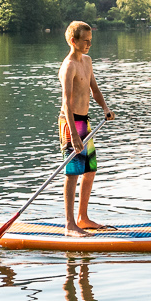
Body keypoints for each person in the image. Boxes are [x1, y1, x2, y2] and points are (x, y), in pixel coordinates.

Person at [58, 20, 113, 235]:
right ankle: (69, 224)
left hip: (85, 121)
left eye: (91, 41)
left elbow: (95, 91)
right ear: (73, 41)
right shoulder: (68, 66)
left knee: (90, 170)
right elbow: (66, 102)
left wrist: (105, 108)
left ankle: (82, 218)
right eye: (85, 41)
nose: (89, 44)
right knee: (72, 173)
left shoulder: (87, 61)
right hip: (70, 122)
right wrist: (73, 134)